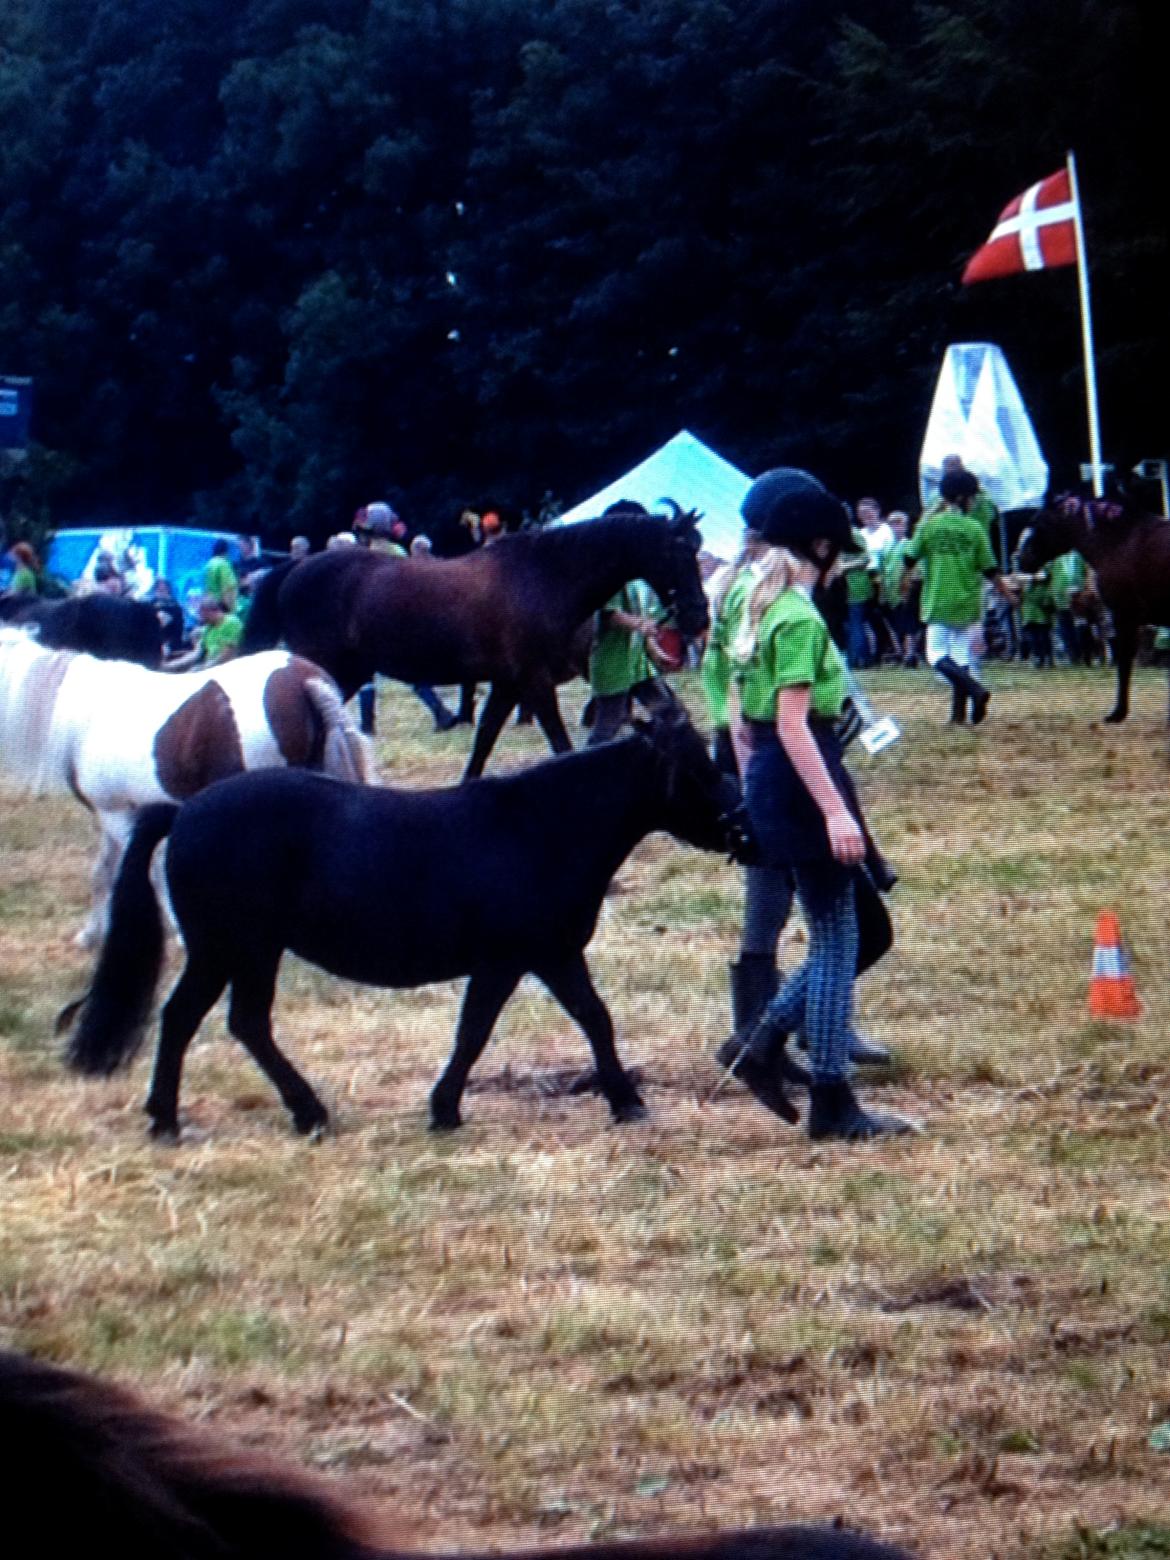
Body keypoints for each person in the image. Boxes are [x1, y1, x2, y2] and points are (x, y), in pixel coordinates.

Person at [719, 467, 910, 1141]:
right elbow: (795, 725)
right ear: (821, 547)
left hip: (774, 776)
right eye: (839, 554)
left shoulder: (759, 605)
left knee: (836, 933)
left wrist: (757, 785)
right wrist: (835, 811)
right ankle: (830, 1099)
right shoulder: (798, 617)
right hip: (803, 776)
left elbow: (741, 714)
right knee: (836, 940)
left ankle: (760, 1046)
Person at [701, 527, 889, 1073]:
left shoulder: (758, 592)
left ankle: (799, 1029)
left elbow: (737, 696)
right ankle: (766, 1039)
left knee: (838, 923)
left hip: (766, 761)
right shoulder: (767, 599)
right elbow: (752, 705)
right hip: (778, 761)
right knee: (790, 915)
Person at [904, 469, 1005, 725]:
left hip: (939, 597)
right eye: (972, 497)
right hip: (968, 599)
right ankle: (958, 715)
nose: (974, 501)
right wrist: (1006, 592)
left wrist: (902, 582)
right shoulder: (974, 528)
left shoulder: (930, 526)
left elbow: (909, 557)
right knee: (960, 656)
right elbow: (990, 568)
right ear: (962, 498)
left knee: (935, 654)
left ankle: (975, 690)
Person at [354, 501, 457, 736]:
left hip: (368, 617)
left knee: (364, 671)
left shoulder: (361, 556)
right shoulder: (397, 553)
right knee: (411, 668)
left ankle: (368, 725)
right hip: (397, 618)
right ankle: (439, 711)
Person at [586, 502, 679, 745]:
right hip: (614, 665)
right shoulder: (607, 572)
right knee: (607, 726)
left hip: (639, 666)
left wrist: (654, 650)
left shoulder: (636, 576)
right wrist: (640, 624)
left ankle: (669, 754)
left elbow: (642, 620)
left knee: (669, 711)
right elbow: (609, 614)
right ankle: (587, 764)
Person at [167, 594, 243, 670]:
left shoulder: (231, 623)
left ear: (207, 611)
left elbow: (226, 655)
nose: (200, 617)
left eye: (200, 613)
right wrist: (171, 665)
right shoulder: (208, 628)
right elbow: (196, 653)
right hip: (209, 665)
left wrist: (202, 669)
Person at [149, 578, 189, 658]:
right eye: (159, 588)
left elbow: (178, 627)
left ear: (168, 589)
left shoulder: (175, 605)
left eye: (164, 588)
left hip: (172, 640)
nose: (162, 590)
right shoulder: (150, 604)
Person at [203, 539, 238, 611]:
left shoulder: (208, 564)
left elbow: (206, 588)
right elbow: (226, 587)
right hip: (221, 607)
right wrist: (229, 608)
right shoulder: (223, 564)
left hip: (209, 605)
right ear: (226, 551)